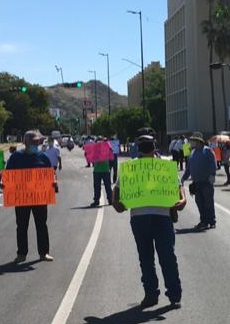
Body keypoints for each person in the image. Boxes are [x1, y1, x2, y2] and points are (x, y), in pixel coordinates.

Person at [112, 134, 186, 309]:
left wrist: (182, 200)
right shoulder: (131, 169)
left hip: (157, 218)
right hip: (143, 219)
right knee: (154, 257)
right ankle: (156, 294)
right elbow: (118, 192)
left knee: (158, 257)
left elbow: (178, 188)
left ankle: (168, 293)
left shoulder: (165, 167)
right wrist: (117, 202)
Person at [5, 130, 56, 263]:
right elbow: (8, 173)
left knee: (41, 225)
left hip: (39, 198)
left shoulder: (43, 157)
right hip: (22, 199)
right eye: (33, 142)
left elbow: (51, 174)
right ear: (26, 143)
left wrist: (54, 183)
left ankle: (44, 252)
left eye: (37, 142)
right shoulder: (16, 157)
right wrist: (3, 184)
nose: (36, 144)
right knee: (21, 225)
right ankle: (21, 253)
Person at [181, 132, 217, 230]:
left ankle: (212, 221)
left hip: (206, 182)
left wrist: (211, 180)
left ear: (199, 142)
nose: (191, 143)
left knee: (208, 202)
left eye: (193, 141)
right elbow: (189, 168)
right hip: (196, 183)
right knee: (199, 202)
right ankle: (204, 221)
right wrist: (183, 179)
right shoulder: (192, 153)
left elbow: (213, 166)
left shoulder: (208, 151)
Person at [90, 140, 112, 207]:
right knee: (98, 186)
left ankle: (109, 199)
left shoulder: (106, 146)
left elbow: (111, 151)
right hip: (99, 170)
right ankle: (97, 200)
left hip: (103, 170)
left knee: (106, 186)